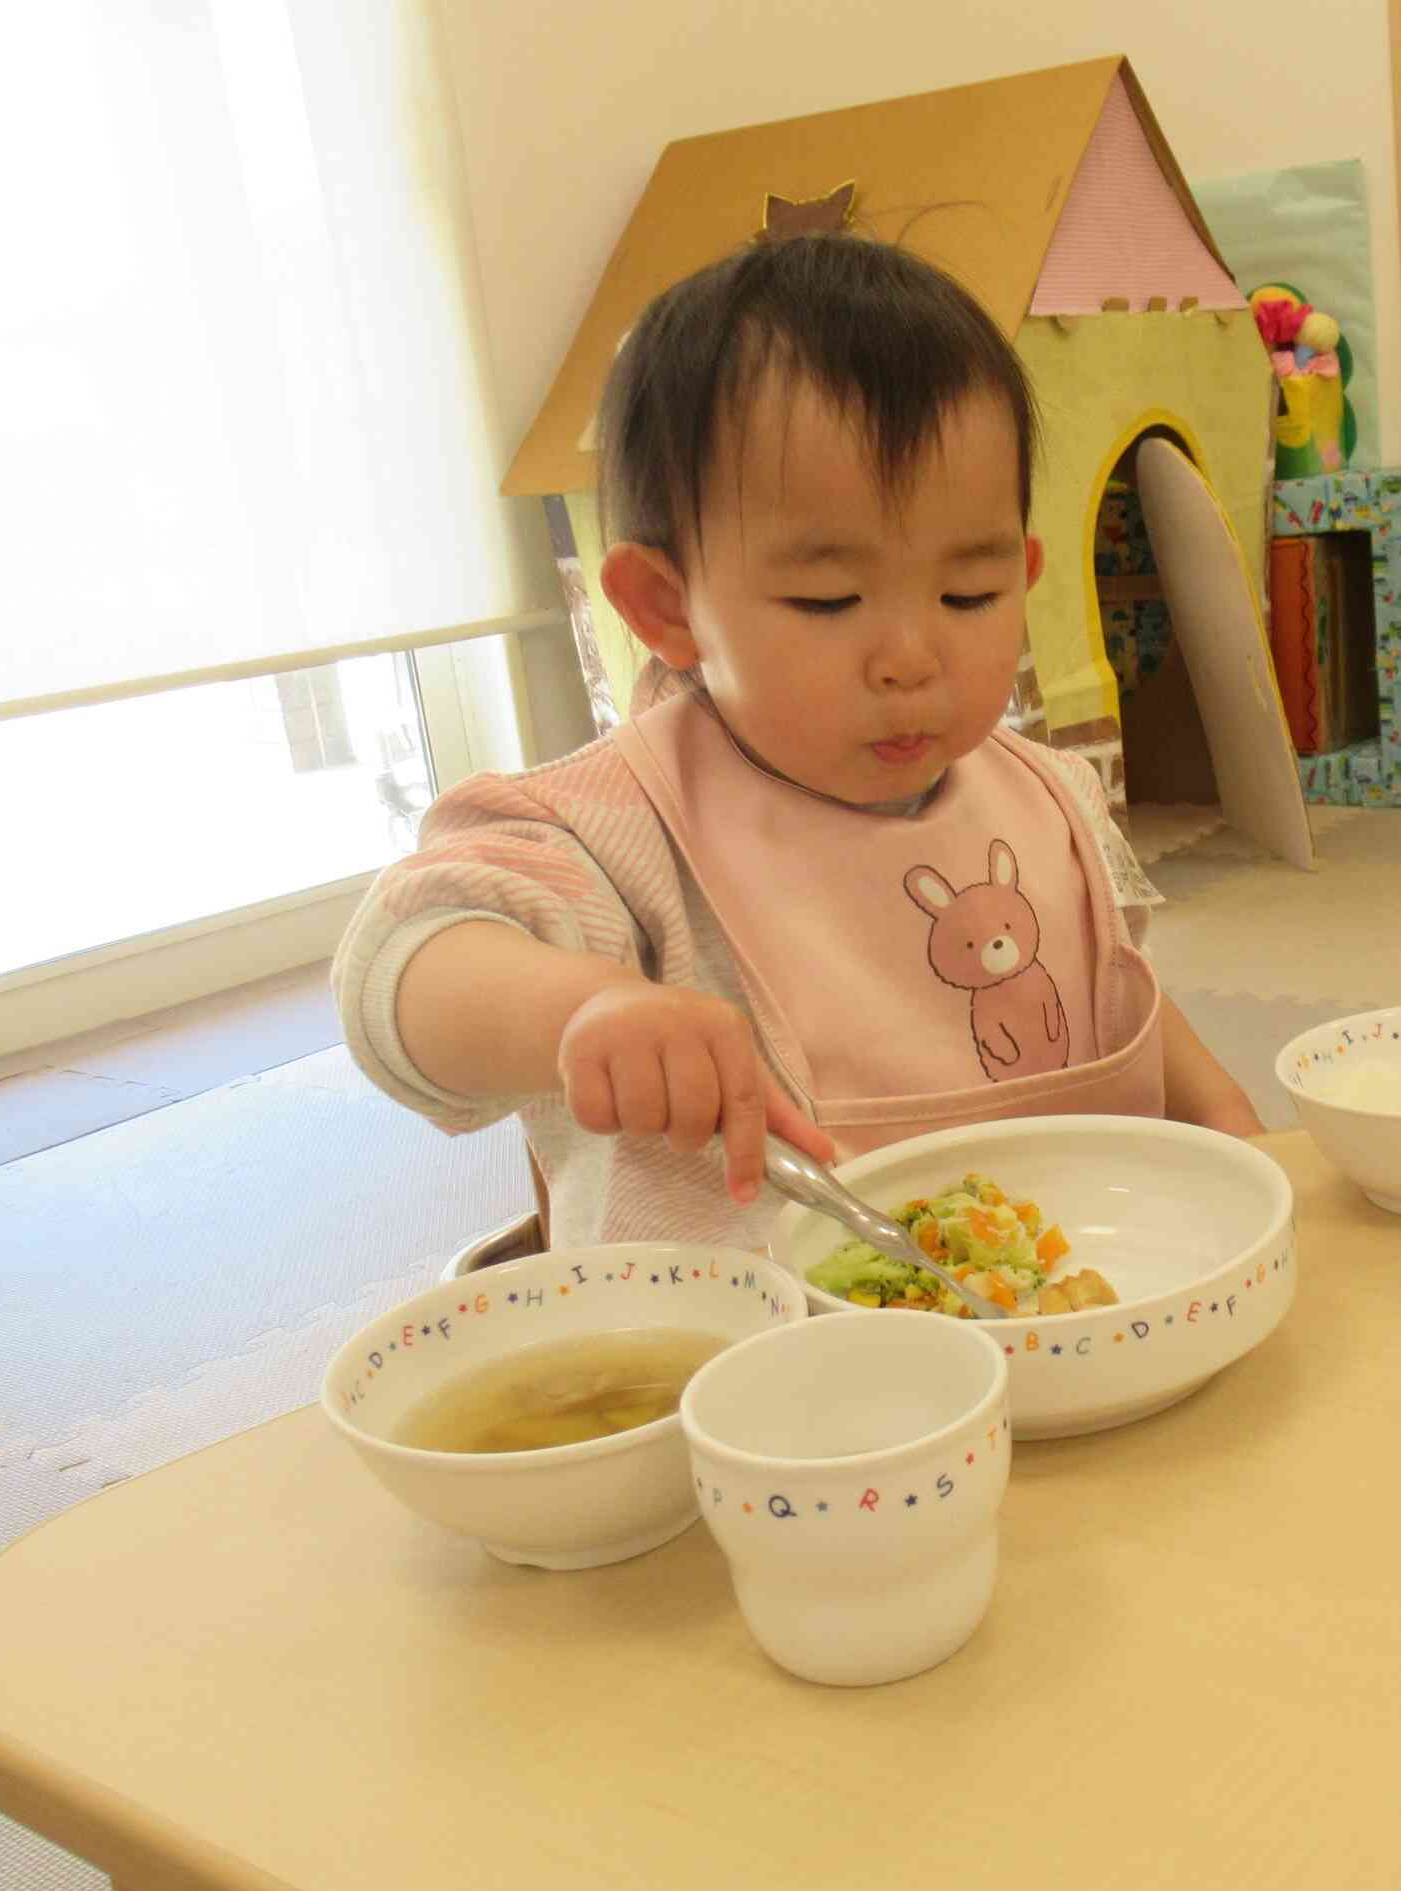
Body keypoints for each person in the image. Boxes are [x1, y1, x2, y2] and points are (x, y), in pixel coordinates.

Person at [333, 231, 1264, 1249]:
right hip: (747, 1377)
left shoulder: (1049, 794)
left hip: (1087, 1326)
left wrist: (1224, 1123)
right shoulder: (613, 832)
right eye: (828, 600)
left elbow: (1110, 989)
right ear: (667, 605)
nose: (911, 657)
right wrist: (579, 1011)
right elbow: (401, 969)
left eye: (969, 592)